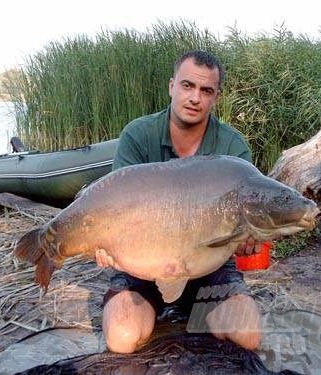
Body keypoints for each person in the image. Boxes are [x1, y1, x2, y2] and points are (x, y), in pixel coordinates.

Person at [96, 50, 262, 354]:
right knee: (122, 338)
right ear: (172, 86)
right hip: (143, 267)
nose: (195, 98)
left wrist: (245, 238)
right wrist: (108, 245)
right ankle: (160, 312)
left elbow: (243, 223)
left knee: (247, 336)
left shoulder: (232, 148)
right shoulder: (138, 134)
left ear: (216, 97)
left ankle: (197, 311)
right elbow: (113, 207)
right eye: (188, 86)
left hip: (209, 268)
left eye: (206, 90)